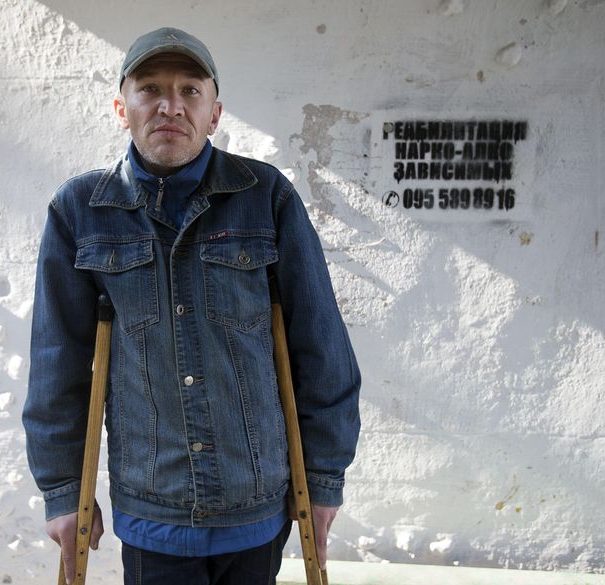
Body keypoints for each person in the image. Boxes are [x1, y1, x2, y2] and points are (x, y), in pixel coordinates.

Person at [23, 27, 361, 585]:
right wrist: (62, 491)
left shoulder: (266, 196)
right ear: (121, 106)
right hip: (152, 506)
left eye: (189, 90)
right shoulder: (80, 210)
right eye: (150, 88)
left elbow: (321, 348)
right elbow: (56, 363)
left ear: (214, 112)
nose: (169, 105)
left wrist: (322, 479)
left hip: (256, 502)